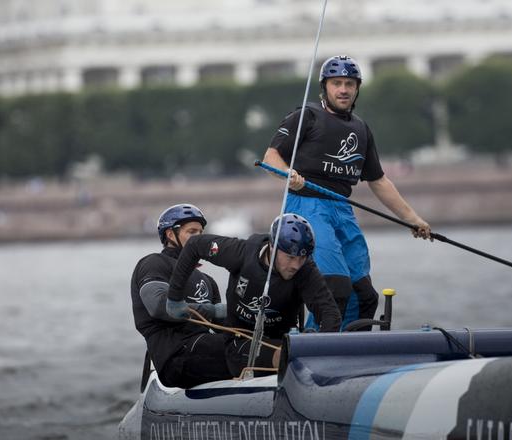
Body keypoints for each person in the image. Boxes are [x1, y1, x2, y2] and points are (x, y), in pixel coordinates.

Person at [262, 54, 432, 330]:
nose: (343, 89)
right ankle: (313, 348)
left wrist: (412, 219)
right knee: (335, 287)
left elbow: (379, 181)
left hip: (342, 208)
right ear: (324, 87)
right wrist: (288, 174)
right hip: (307, 204)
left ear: (357, 89)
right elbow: (270, 157)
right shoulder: (306, 115)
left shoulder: (361, 128)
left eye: (350, 84)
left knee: (365, 295)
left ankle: (353, 349)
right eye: (337, 83)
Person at [167, 213, 342, 377]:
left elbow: (330, 314)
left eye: (301, 259)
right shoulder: (240, 252)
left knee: (296, 349)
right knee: (286, 354)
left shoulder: (306, 270)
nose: (296, 265)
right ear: (273, 248)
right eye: (290, 257)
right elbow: (195, 245)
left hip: (284, 339)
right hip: (240, 342)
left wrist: (321, 350)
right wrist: (174, 298)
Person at [130, 203, 231, 388]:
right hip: (175, 358)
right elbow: (159, 306)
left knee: (256, 345)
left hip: (203, 347)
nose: (199, 238)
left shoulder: (207, 280)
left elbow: (224, 327)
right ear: (170, 235)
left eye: (201, 233)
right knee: (246, 352)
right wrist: (214, 310)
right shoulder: (154, 263)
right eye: (192, 232)